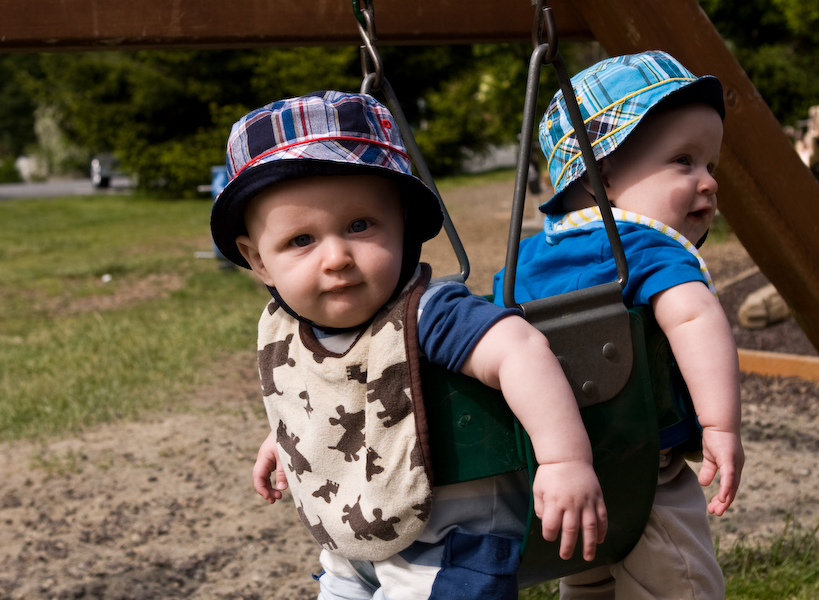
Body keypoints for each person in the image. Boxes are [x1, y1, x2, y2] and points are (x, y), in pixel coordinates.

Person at [210, 91, 606, 599]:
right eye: (301, 240)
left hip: (449, 548)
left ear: (404, 227)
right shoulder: (287, 331)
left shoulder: (428, 315)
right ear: (259, 260)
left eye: (359, 226)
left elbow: (520, 350)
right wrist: (287, 438)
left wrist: (563, 460)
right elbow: (320, 391)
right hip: (353, 541)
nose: (335, 258)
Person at [493, 51, 744, 599]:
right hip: (644, 464)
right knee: (678, 582)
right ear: (600, 172)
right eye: (684, 161)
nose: (708, 183)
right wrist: (721, 426)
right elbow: (695, 316)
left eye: (711, 166)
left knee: (588, 584)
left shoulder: (522, 263)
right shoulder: (650, 249)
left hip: (560, 478)